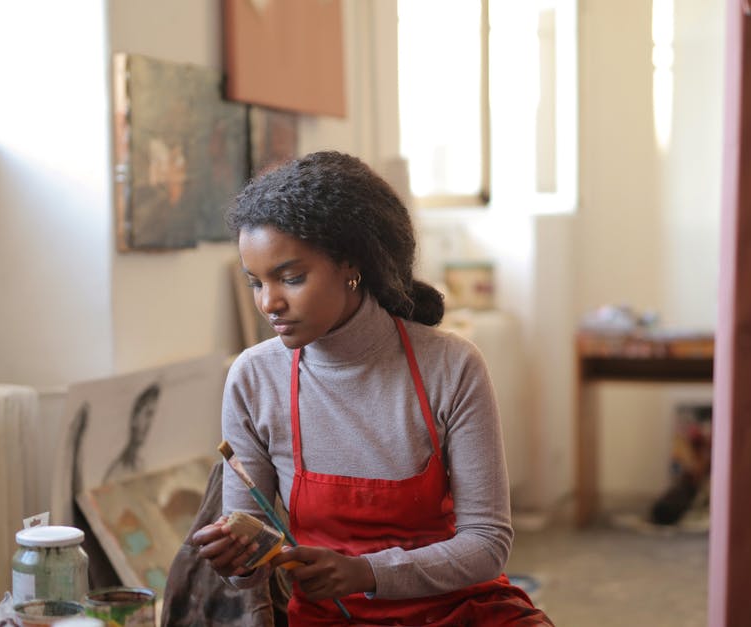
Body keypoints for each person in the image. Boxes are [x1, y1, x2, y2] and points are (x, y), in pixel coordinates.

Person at [190, 151, 552, 625]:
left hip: (458, 607)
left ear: (352, 265)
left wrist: (366, 572)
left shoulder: (451, 366)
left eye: (291, 277)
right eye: (256, 282)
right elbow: (251, 569)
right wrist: (237, 559)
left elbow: (487, 545)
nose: (269, 303)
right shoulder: (254, 378)